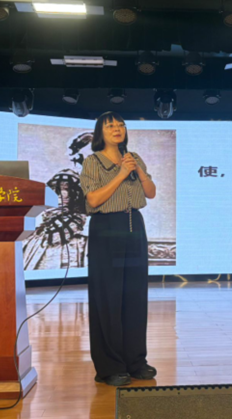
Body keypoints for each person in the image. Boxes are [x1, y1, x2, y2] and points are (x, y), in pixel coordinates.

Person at [79, 112, 157, 387]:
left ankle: (136, 361)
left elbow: (150, 192)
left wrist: (138, 171)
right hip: (106, 227)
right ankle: (110, 366)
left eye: (121, 125)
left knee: (135, 295)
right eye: (110, 125)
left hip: (134, 225)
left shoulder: (133, 157)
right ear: (100, 132)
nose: (117, 128)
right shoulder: (93, 161)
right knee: (108, 297)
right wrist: (122, 174)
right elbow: (93, 199)